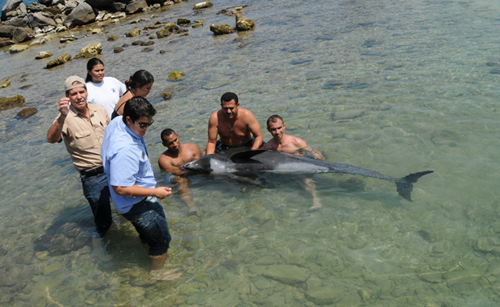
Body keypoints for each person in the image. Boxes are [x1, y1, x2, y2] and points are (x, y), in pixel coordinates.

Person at [101, 96, 179, 280]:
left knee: (148, 235)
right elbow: (120, 187)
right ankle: (157, 273)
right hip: (137, 204)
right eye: (142, 125)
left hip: (127, 203)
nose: (146, 128)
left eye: (149, 123)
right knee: (162, 240)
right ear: (128, 119)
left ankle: (147, 249)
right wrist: (155, 192)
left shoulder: (117, 122)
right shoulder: (125, 149)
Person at [46, 76, 112, 261]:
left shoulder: (99, 110)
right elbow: (51, 139)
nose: (79, 97)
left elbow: (112, 136)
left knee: (127, 205)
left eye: (81, 92)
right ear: (67, 96)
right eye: (73, 94)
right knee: (103, 222)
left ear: (87, 92)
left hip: (113, 169)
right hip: (93, 178)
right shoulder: (64, 118)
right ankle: (98, 251)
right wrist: (61, 116)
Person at [262, 114, 325, 210]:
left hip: (300, 165)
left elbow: (313, 151)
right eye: (274, 129)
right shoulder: (269, 146)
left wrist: (320, 160)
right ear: (268, 130)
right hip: (286, 168)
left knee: (305, 179)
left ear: (284, 126)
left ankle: (316, 201)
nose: (277, 132)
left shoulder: (296, 142)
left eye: (279, 128)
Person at [158, 129, 201, 215]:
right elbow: (177, 172)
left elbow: (200, 163)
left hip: (193, 172)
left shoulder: (192, 147)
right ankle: (191, 206)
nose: (175, 144)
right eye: (170, 143)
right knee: (179, 180)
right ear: (164, 144)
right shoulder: (164, 159)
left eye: (175, 140)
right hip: (181, 176)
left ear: (177, 136)